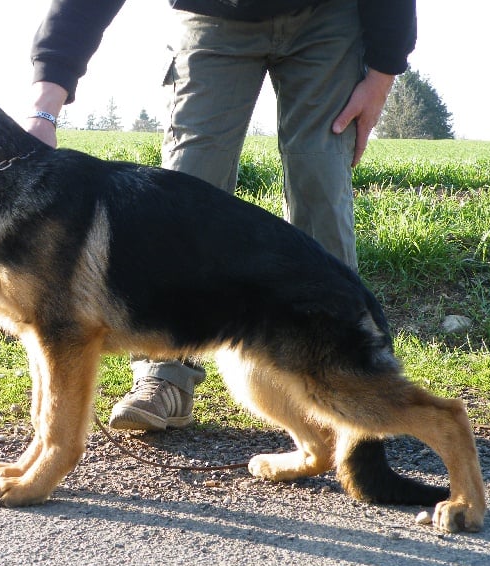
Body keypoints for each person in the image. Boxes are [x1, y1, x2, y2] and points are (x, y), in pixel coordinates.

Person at [26, 0, 416, 432]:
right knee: (183, 190)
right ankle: (165, 379)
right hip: (213, 16)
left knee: (320, 185)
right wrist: (45, 108)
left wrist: (382, 73)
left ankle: (351, 384)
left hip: (327, 17)